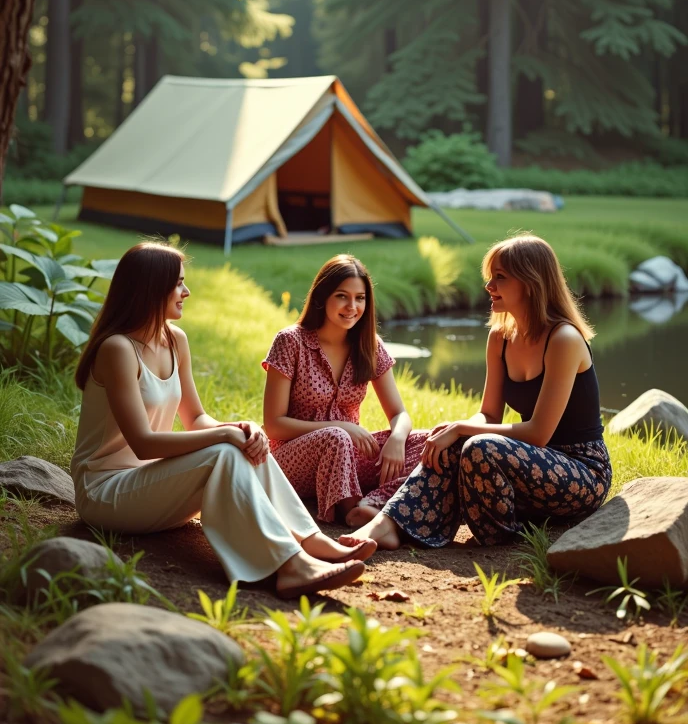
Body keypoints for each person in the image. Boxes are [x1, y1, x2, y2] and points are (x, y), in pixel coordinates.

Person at [71, 242, 374, 600]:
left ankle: (309, 541)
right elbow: (144, 442)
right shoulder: (118, 349)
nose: (187, 292)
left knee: (241, 445)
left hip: (151, 486)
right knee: (225, 451)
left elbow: (196, 418)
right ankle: (290, 566)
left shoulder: (174, 340)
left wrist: (241, 428)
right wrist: (225, 438)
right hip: (106, 494)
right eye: (179, 283)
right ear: (151, 287)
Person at [340, 235, 612, 552]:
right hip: (528, 466)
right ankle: (389, 524)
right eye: (490, 277)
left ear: (530, 282)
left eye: (500, 277)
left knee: (477, 442)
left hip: (581, 471)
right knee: (459, 439)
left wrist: (462, 428)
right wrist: (456, 430)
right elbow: (490, 413)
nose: (489, 286)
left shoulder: (563, 339)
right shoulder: (500, 337)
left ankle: (500, 531)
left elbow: (539, 433)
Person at [262, 254, 429, 525]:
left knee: (427, 441)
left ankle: (372, 502)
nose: (352, 306)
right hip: (290, 461)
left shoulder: (368, 345)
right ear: (323, 297)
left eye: (360, 298)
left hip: (347, 458)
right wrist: (342, 426)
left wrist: (398, 438)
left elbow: (400, 413)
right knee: (337, 436)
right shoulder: (290, 342)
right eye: (342, 296)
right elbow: (274, 425)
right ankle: (351, 510)